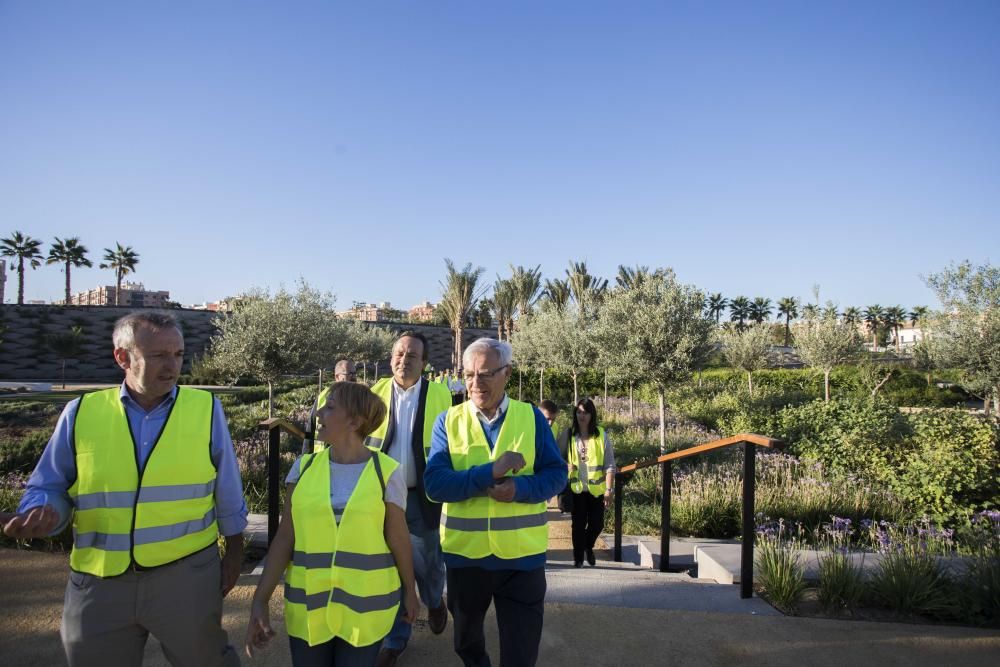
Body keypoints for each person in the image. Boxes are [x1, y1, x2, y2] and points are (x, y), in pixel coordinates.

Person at [1, 311, 247, 667]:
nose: (172, 366)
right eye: (159, 355)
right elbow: (49, 485)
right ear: (123, 357)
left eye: (178, 354)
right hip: (100, 582)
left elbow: (227, 487)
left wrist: (235, 550)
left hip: (185, 579)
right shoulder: (81, 412)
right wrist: (42, 514)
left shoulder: (205, 409)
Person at [246, 381, 419, 665]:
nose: (319, 414)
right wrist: (260, 599)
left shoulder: (387, 472)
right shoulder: (302, 468)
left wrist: (410, 591)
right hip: (308, 606)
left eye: (329, 407)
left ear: (355, 420)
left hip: (367, 608)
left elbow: (398, 539)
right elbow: (285, 539)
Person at [425, 338, 567, 667]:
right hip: (465, 557)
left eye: (486, 374)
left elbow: (557, 475)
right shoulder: (447, 422)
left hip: (522, 559)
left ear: (507, 373)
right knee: (466, 642)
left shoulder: (531, 418)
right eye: (469, 374)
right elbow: (435, 484)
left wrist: (519, 488)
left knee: (521, 651)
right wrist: (490, 472)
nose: (476, 383)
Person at [365, 332, 453, 667]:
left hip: (424, 497)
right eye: (399, 353)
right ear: (391, 358)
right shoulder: (372, 395)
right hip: (381, 498)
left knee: (429, 564)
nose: (404, 360)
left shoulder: (441, 396)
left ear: (424, 363)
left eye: (412, 355)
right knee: (392, 568)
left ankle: (434, 600)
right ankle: (395, 640)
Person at [566, 398, 616, 568]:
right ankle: (579, 557)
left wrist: (609, 489)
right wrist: (565, 465)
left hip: (597, 490)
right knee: (578, 525)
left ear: (591, 414)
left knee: (597, 524)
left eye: (585, 412)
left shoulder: (601, 435)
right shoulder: (569, 435)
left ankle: (588, 545)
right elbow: (555, 458)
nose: (582, 416)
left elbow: (610, 465)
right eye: (579, 412)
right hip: (577, 489)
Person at [307, 359, 359, 453]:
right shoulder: (323, 397)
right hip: (321, 456)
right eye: (350, 373)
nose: (354, 377)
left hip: (349, 457)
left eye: (355, 373)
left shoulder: (360, 398)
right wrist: (305, 455)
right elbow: (311, 427)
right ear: (337, 377)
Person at [539, 400, 573, 514]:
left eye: (553, 419)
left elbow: (553, 448)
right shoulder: (531, 425)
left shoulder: (555, 427)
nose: (550, 423)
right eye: (547, 419)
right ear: (539, 413)